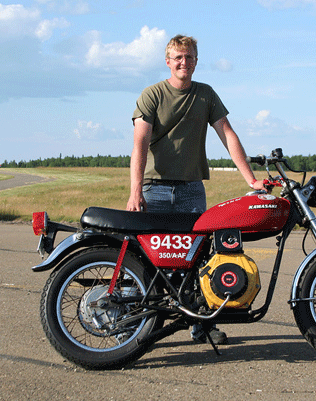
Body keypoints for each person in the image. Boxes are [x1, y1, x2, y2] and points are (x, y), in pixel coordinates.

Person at [126, 35, 267, 345]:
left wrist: (252, 181)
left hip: (191, 190)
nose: (183, 63)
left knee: (199, 261)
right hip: (154, 190)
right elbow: (140, 142)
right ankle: (132, 322)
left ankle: (200, 325)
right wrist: (135, 190)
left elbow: (227, 135)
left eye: (189, 57)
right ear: (168, 61)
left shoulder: (205, 95)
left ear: (196, 61)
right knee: (148, 260)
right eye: (178, 57)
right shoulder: (152, 94)